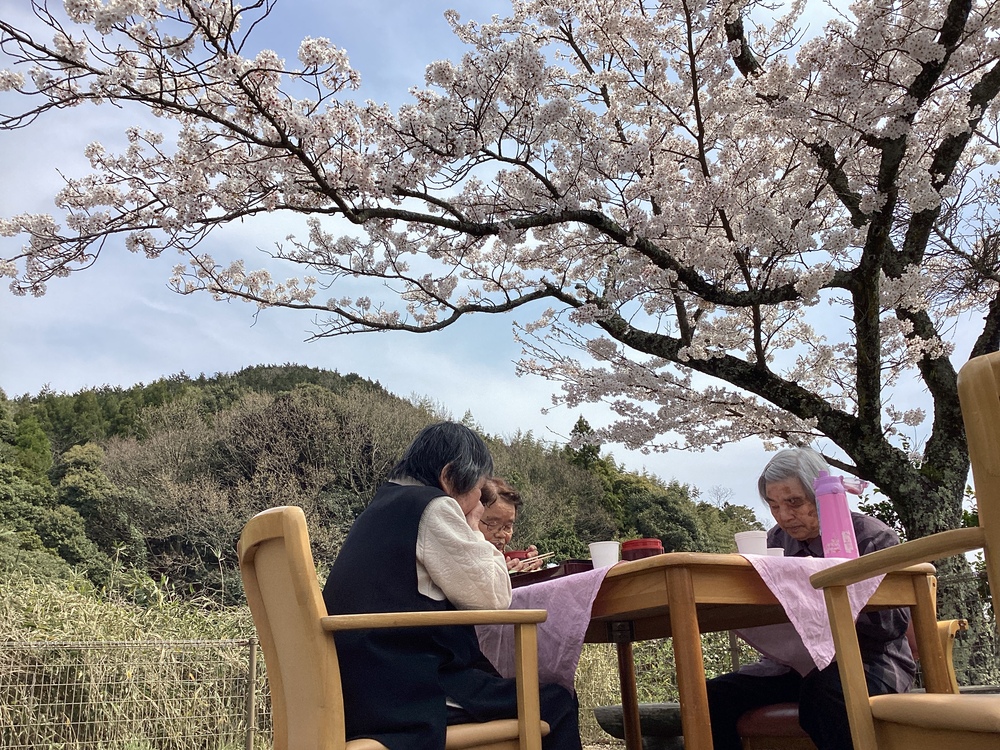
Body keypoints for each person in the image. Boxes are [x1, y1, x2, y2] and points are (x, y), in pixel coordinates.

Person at [323, 422, 582, 750]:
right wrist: (473, 524)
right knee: (557, 702)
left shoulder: (381, 508)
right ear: (449, 476)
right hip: (405, 694)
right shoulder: (434, 507)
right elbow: (494, 599)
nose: (480, 499)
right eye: (478, 488)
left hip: (360, 687)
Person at [706, 447, 915, 750]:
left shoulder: (872, 537)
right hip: (793, 666)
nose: (785, 516)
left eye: (794, 502)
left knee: (824, 692)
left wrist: (829, 600)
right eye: (774, 505)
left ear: (821, 494)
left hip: (869, 660)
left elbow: (891, 624)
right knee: (712, 696)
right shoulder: (775, 542)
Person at [479, 476, 546, 573]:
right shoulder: (456, 559)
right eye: (492, 524)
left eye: (507, 527)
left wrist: (529, 573)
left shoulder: (508, 556)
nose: (502, 534)